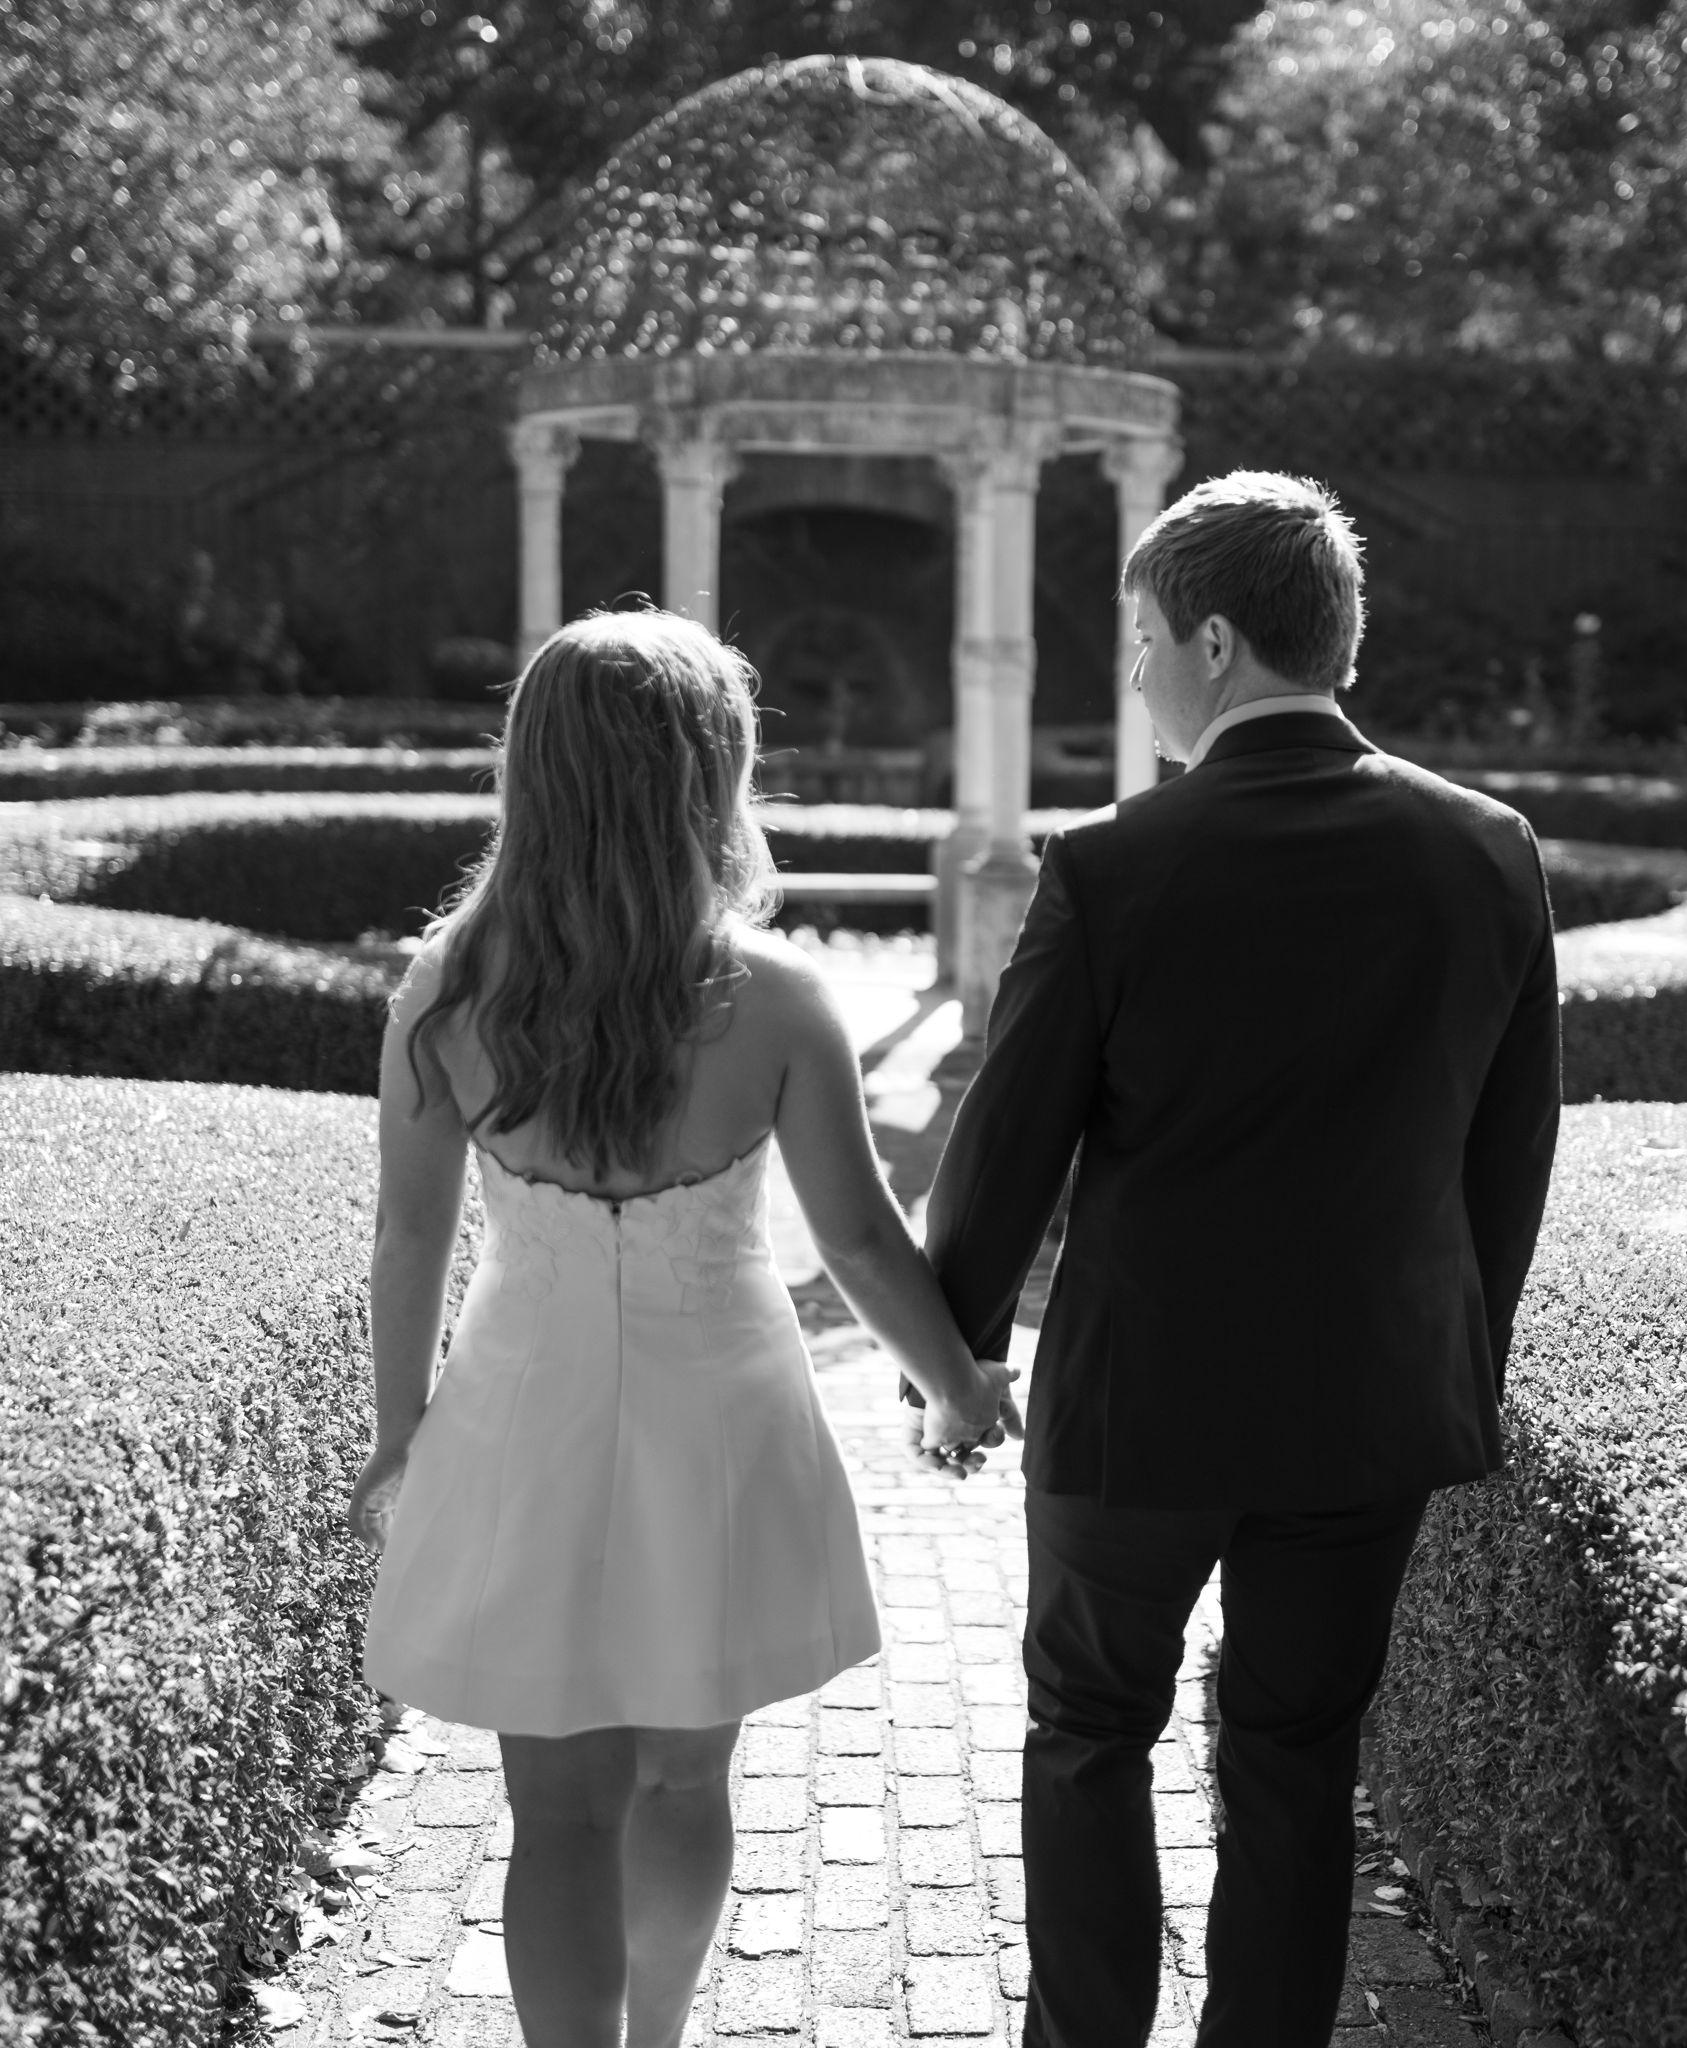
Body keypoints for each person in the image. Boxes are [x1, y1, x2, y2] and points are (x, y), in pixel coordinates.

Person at [916, 472, 1561, 2047]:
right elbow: (1509, 1155)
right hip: (1369, 1406)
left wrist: (957, 1356)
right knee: (1297, 1759)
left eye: (1142, 639)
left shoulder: (1112, 865)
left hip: (1139, 1405)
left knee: (1087, 1734)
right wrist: (1453, 1366)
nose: (1136, 675)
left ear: (1213, 643)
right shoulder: (1488, 852)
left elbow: (1008, 1148)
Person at [347, 609, 1016, 2048]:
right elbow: (859, 1241)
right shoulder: (773, 1001)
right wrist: (956, 1389)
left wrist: (401, 1432)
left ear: (533, 772)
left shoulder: (447, 988)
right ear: (712, 778)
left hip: (522, 1411)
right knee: (684, 1780)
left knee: (555, 1812)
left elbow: (409, 1236)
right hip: (720, 1410)